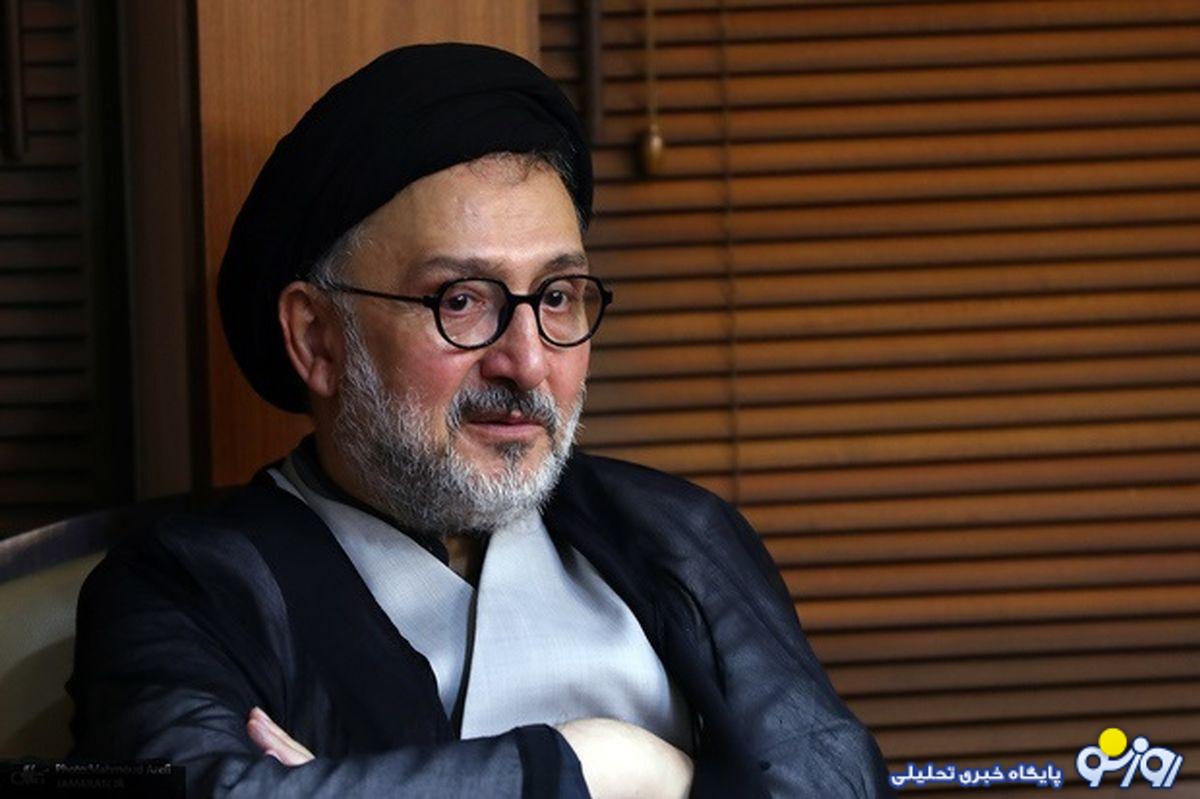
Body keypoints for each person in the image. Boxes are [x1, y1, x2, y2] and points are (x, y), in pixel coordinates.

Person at [67, 43, 892, 798]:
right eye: (461, 301)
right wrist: (597, 765)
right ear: (317, 338)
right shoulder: (185, 588)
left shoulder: (674, 532)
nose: (526, 362)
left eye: (557, 296)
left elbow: (835, 778)